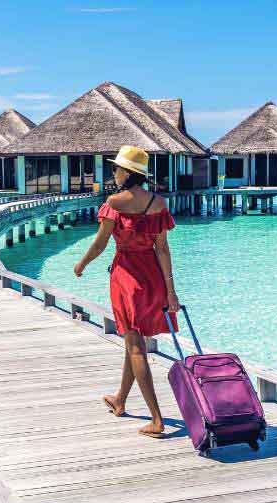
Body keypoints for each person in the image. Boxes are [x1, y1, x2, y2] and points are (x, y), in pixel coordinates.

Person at [73, 145, 179, 438]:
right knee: (135, 343)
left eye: (117, 169)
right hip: (154, 278)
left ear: (128, 173)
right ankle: (120, 399)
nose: (114, 173)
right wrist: (171, 292)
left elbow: (100, 244)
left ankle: (157, 420)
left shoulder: (114, 202)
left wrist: (81, 263)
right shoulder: (158, 203)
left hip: (127, 279)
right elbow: (163, 248)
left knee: (135, 346)